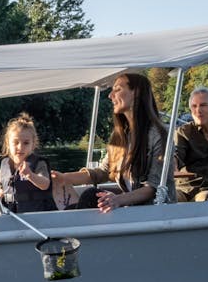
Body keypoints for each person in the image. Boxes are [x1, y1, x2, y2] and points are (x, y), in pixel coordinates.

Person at [52, 73, 174, 212]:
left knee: (90, 198)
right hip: (131, 211)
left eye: (117, 89)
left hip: (153, 213)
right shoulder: (121, 135)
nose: (110, 95)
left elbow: (153, 187)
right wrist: (64, 178)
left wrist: (117, 200)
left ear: (136, 93)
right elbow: (103, 172)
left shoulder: (159, 135)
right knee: (90, 196)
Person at [0, 113, 57, 213]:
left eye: (26, 143)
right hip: (12, 216)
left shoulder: (39, 163)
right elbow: (2, 191)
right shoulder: (4, 166)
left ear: (33, 145)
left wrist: (30, 175)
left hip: (39, 215)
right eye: (15, 142)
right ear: (8, 144)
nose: (20, 147)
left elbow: (45, 184)